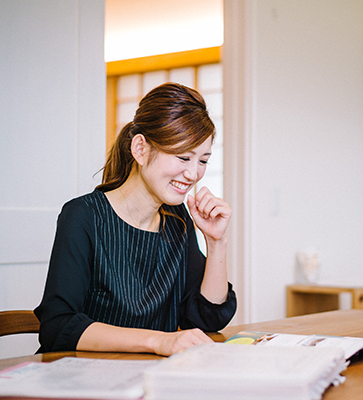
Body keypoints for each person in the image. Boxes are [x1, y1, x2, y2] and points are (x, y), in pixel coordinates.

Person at [35, 83, 237, 356]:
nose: (193, 174)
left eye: (202, 161)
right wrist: (159, 341)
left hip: (149, 378)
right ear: (140, 148)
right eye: (183, 157)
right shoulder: (83, 216)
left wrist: (216, 241)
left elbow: (206, 318)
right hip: (84, 380)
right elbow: (59, 325)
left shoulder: (177, 222)